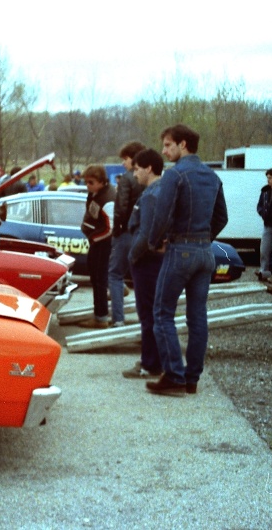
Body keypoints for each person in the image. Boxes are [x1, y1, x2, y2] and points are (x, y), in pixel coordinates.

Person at [147, 124, 228, 396]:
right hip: (205, 253)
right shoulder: (213, 177)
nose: (164, 150)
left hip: (180, 250)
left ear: (183, 145)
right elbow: (222, 218)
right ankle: (191, 379)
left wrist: (153, 242)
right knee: (197, 317)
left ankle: (174, 376)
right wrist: (203, 239)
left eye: (168, 145)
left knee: (162, 312)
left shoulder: (175, 175)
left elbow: (162, 215)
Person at [122, 148, 165, 379]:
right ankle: (154, 360)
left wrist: (132, 256)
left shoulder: (150, 195)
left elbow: (146, 233)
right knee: (155, 313)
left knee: (147, 314)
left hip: (147, 263)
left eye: (137, 169)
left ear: (149, 168)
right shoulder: (162, 190)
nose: (134, 174)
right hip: (156, 260)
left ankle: (150, 364)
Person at [109, 141, 146, 327]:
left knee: (115, 274)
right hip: (143, 233)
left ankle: (118, 319)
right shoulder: (149, 179)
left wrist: (116, 231)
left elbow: (121, 209)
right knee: (139, 277)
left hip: (125, 233)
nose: (123, 163)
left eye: (125, 159)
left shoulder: (126, 179)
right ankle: (143, 319)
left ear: (134, 158)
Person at [78, 165, 116, 329]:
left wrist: (94, 239)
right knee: (95, 277)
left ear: (101, 182)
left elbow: (110, 228)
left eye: (91, 182)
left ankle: (101, 318)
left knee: (99, 279)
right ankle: (100, 314)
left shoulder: (107, 199)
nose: (88, 186)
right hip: (98, 241)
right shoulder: (97, 193)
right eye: (86, 182)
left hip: (102, 243)